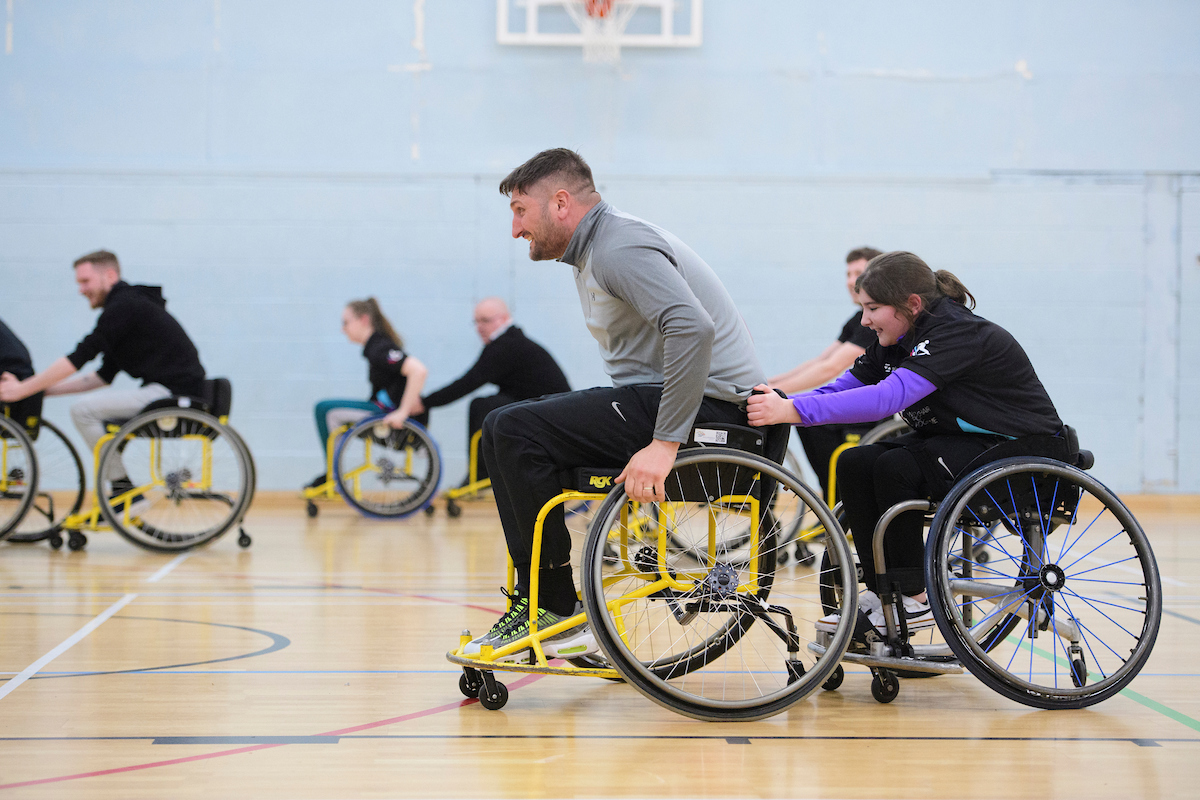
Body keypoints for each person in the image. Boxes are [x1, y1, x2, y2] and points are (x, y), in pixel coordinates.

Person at [466, 148, 767, 660]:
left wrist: (664, 445)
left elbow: (693, 328)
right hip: (671, 401)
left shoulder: (617, 246)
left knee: (513, 428)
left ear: (560, 203)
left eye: (520, 211)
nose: (516, 230)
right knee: (500, 428)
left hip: (714, 416)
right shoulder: (598, 246)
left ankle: (556, 607)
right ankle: (540, 598)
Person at [747, 251, 1063, 635]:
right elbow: (847, 385)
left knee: (895, 468)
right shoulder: (897, 337)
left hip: (1020, 448)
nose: (864, 320)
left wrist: (791, 412)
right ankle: (885, 594)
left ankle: (914, 598)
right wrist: (788, 402)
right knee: (855, 463)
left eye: (873, 308)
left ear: (912, 304)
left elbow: (887, 399)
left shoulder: (955, 332)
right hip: (963, 442)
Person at [0, 251, 206, 500]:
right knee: (87, 409)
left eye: (85, 281)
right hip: (170, 389)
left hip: (173, 392)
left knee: (83, 411)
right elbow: (101, 377)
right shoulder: (129, 308)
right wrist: (39, 389)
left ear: (110, 275)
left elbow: (78, 358)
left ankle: (123, 492)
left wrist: (23, 390)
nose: (81, 290)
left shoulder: (124, 306)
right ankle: (122, 491)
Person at [769, 247, 884, 499]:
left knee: (807, 416)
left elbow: (831, 368)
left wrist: (781, 395)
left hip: (876, 412)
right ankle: (832, 499)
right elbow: (821, 360)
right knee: (804, 416)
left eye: (858, 273)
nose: (850, 281)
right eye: (848, 273)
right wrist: (771, 384)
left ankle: (836, 500)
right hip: (859, 407)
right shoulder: (858, 318)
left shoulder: (876, 320)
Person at [415, 297, 570, 484]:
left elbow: (466, 383)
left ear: (503, 318)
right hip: (544, 406)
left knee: (482, 406)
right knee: (487, 404)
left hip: (549, 412)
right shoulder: (510, 341)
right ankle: (481, 471)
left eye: (485, 321)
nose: (479, 327)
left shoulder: (505, 346)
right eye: (476, 321)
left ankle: (481, 473)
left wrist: (424, 402)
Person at [308, 298, 428, 487]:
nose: (343, 329)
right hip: (382, 408)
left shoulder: (380, 347)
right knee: (326, 409)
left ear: (363, 320)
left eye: (346, 323)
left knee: (325, 409)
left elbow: (418, 370)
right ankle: (333, 473)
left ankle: (334, 476)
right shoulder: (374, 347)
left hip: (389, 415)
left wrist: (403, 412)